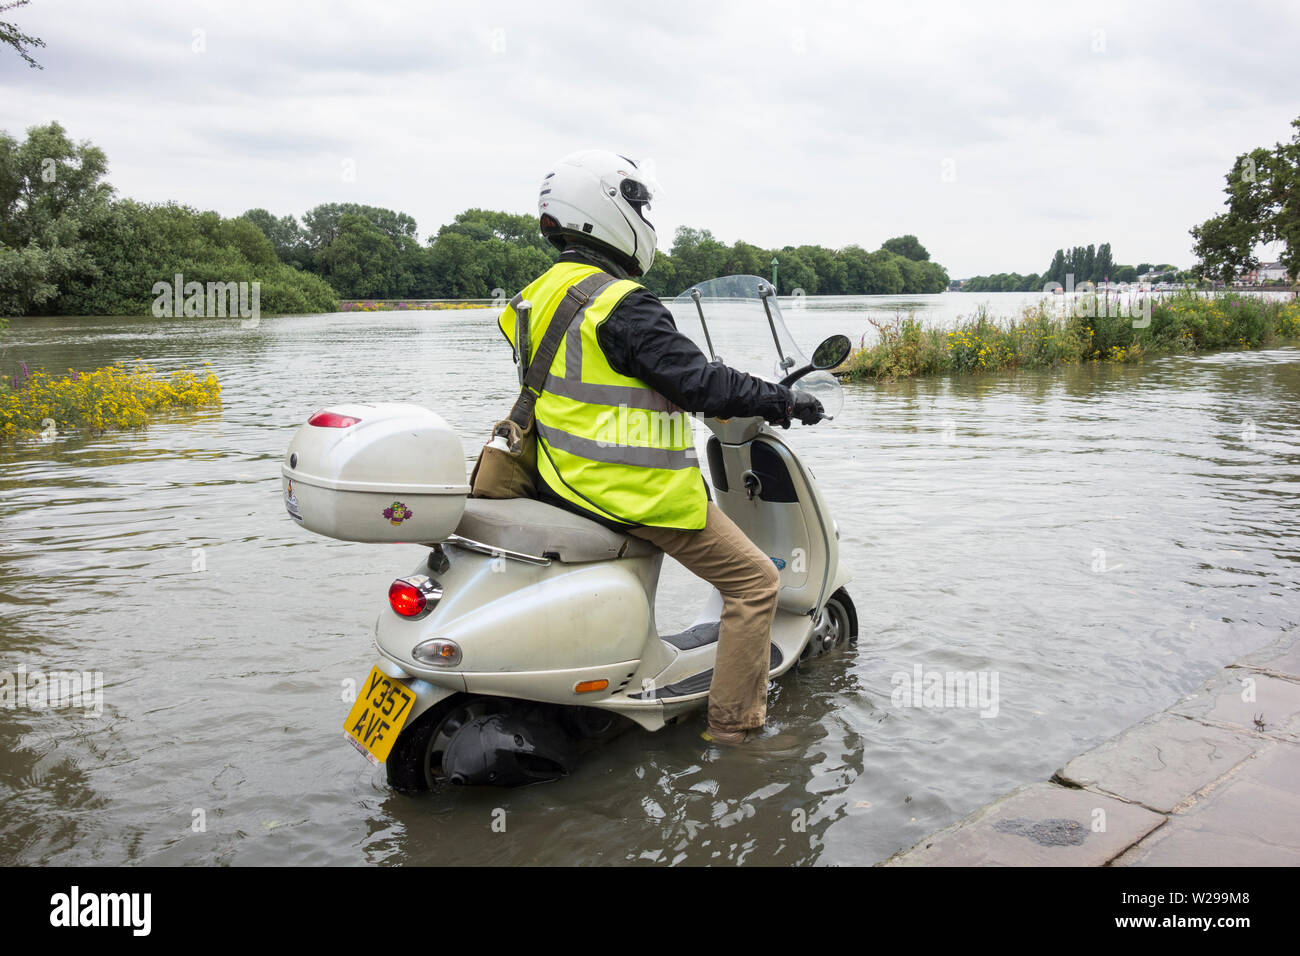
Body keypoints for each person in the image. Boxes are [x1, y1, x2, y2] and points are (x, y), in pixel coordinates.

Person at [497, 149, 823, 745]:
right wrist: (783, 399)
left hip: (558, 478)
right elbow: (699, 383)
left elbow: (604, 387)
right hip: (631, 490)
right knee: (755, 584)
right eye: (640, 205)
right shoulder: (621, 302)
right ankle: (735, 734)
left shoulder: (532, 298)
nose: (646, 219)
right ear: (608, 209)